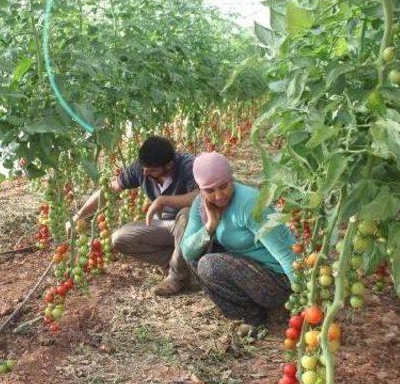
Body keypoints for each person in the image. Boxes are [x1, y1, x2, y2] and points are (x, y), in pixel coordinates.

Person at [68, 136, 199, 295]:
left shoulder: (189, 165)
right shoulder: (142, 168)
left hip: (191, 229)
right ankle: (178, 264)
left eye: (151, 170)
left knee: (186, 215)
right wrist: (79, 216)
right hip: (166, 228)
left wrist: (164, 200)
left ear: (169, 165)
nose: (145, 172)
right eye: (144, 167)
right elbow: (110, 190)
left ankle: (178, 278)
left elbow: (200, 196)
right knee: (120, 238)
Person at [180, 152, 296, 328]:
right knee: (197, 255)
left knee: (209, 264)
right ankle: (249, 315)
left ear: (231, 179)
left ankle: (262, 315)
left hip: (278, 280)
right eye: (210, 190)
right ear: (200, 189)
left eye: (224, 186)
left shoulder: (249, 203)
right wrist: (210, 225)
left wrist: (306, 299)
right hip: (248, 271)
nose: (218, 196)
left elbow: (286, 254)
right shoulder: (200, 205)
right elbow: (187, 251)